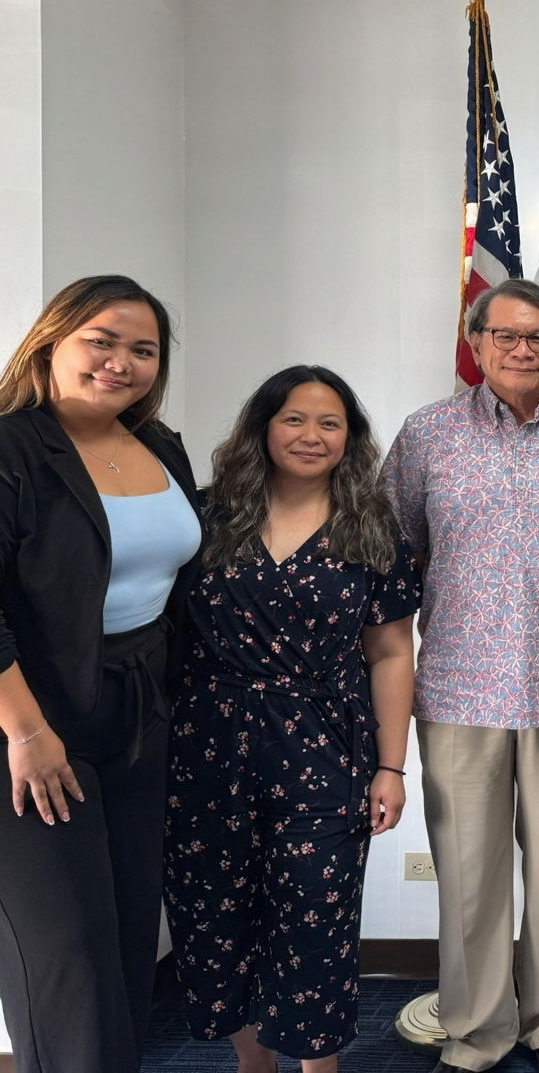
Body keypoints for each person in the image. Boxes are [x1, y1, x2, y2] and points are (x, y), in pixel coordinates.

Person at [382, 279, 539, 1073]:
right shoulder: (426, 437)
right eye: (506, 336)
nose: (523, 350)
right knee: (469, 874)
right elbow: (394, 558)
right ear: (477, 341)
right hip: (458, 689)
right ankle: (477, 1028)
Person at [163, 366, 418, 1071]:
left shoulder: (374, 526)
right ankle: (253, 1062)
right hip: (208, 743)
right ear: (263, 427)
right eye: (295, 419)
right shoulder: (205, 515)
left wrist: (392, 767)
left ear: (350, 439)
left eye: (329, 423)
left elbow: (392, 650)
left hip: (326, 745)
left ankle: (318, 1065)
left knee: (318, 916)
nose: (311, 435)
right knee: (218, 910)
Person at [0, 275, 203, 1073]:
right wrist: (26, 730)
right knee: (70, 961)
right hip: (33, 720)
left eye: (142, 349)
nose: (121, 362)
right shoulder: (13, 447)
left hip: (140, 710)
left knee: (125, 939)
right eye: (102, 341)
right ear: (53, 341)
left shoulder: (161, 447)